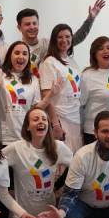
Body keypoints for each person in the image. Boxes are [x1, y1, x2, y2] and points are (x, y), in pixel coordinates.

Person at [3, 107, 73, 218]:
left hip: (47, 216)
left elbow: (77, 167)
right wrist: (9, 187)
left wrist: (59, 186)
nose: (41, 122)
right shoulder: (16, 148)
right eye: (35, 119)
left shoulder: (58, 147)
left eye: (44, 119)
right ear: (27, 126)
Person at [15, 2, 105, 78]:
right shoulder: (16, 50)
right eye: (27, 24)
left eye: (34, 23)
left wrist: (90, 19)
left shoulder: (48, 44)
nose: (32, 27)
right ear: (19, 27)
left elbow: (75, 38)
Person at [38, 23, 82, 151]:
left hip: (75, 117)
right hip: (61, 117)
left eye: (67, 36)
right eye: (60, 37)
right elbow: (46, 95)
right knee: (62, 157)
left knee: (76, 157)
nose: (64, 40)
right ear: (54, 40)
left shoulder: (71, 61)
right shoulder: (49, 62)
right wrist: (55, 124)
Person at [0, 41, 40, 145]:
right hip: (2, 137)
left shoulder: (34, 80)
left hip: (24, 137)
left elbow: (35, 108)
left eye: (25, 54)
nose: (21, 56)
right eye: (17, 53)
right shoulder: (0, 74)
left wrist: (51, 95)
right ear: (9, 55)